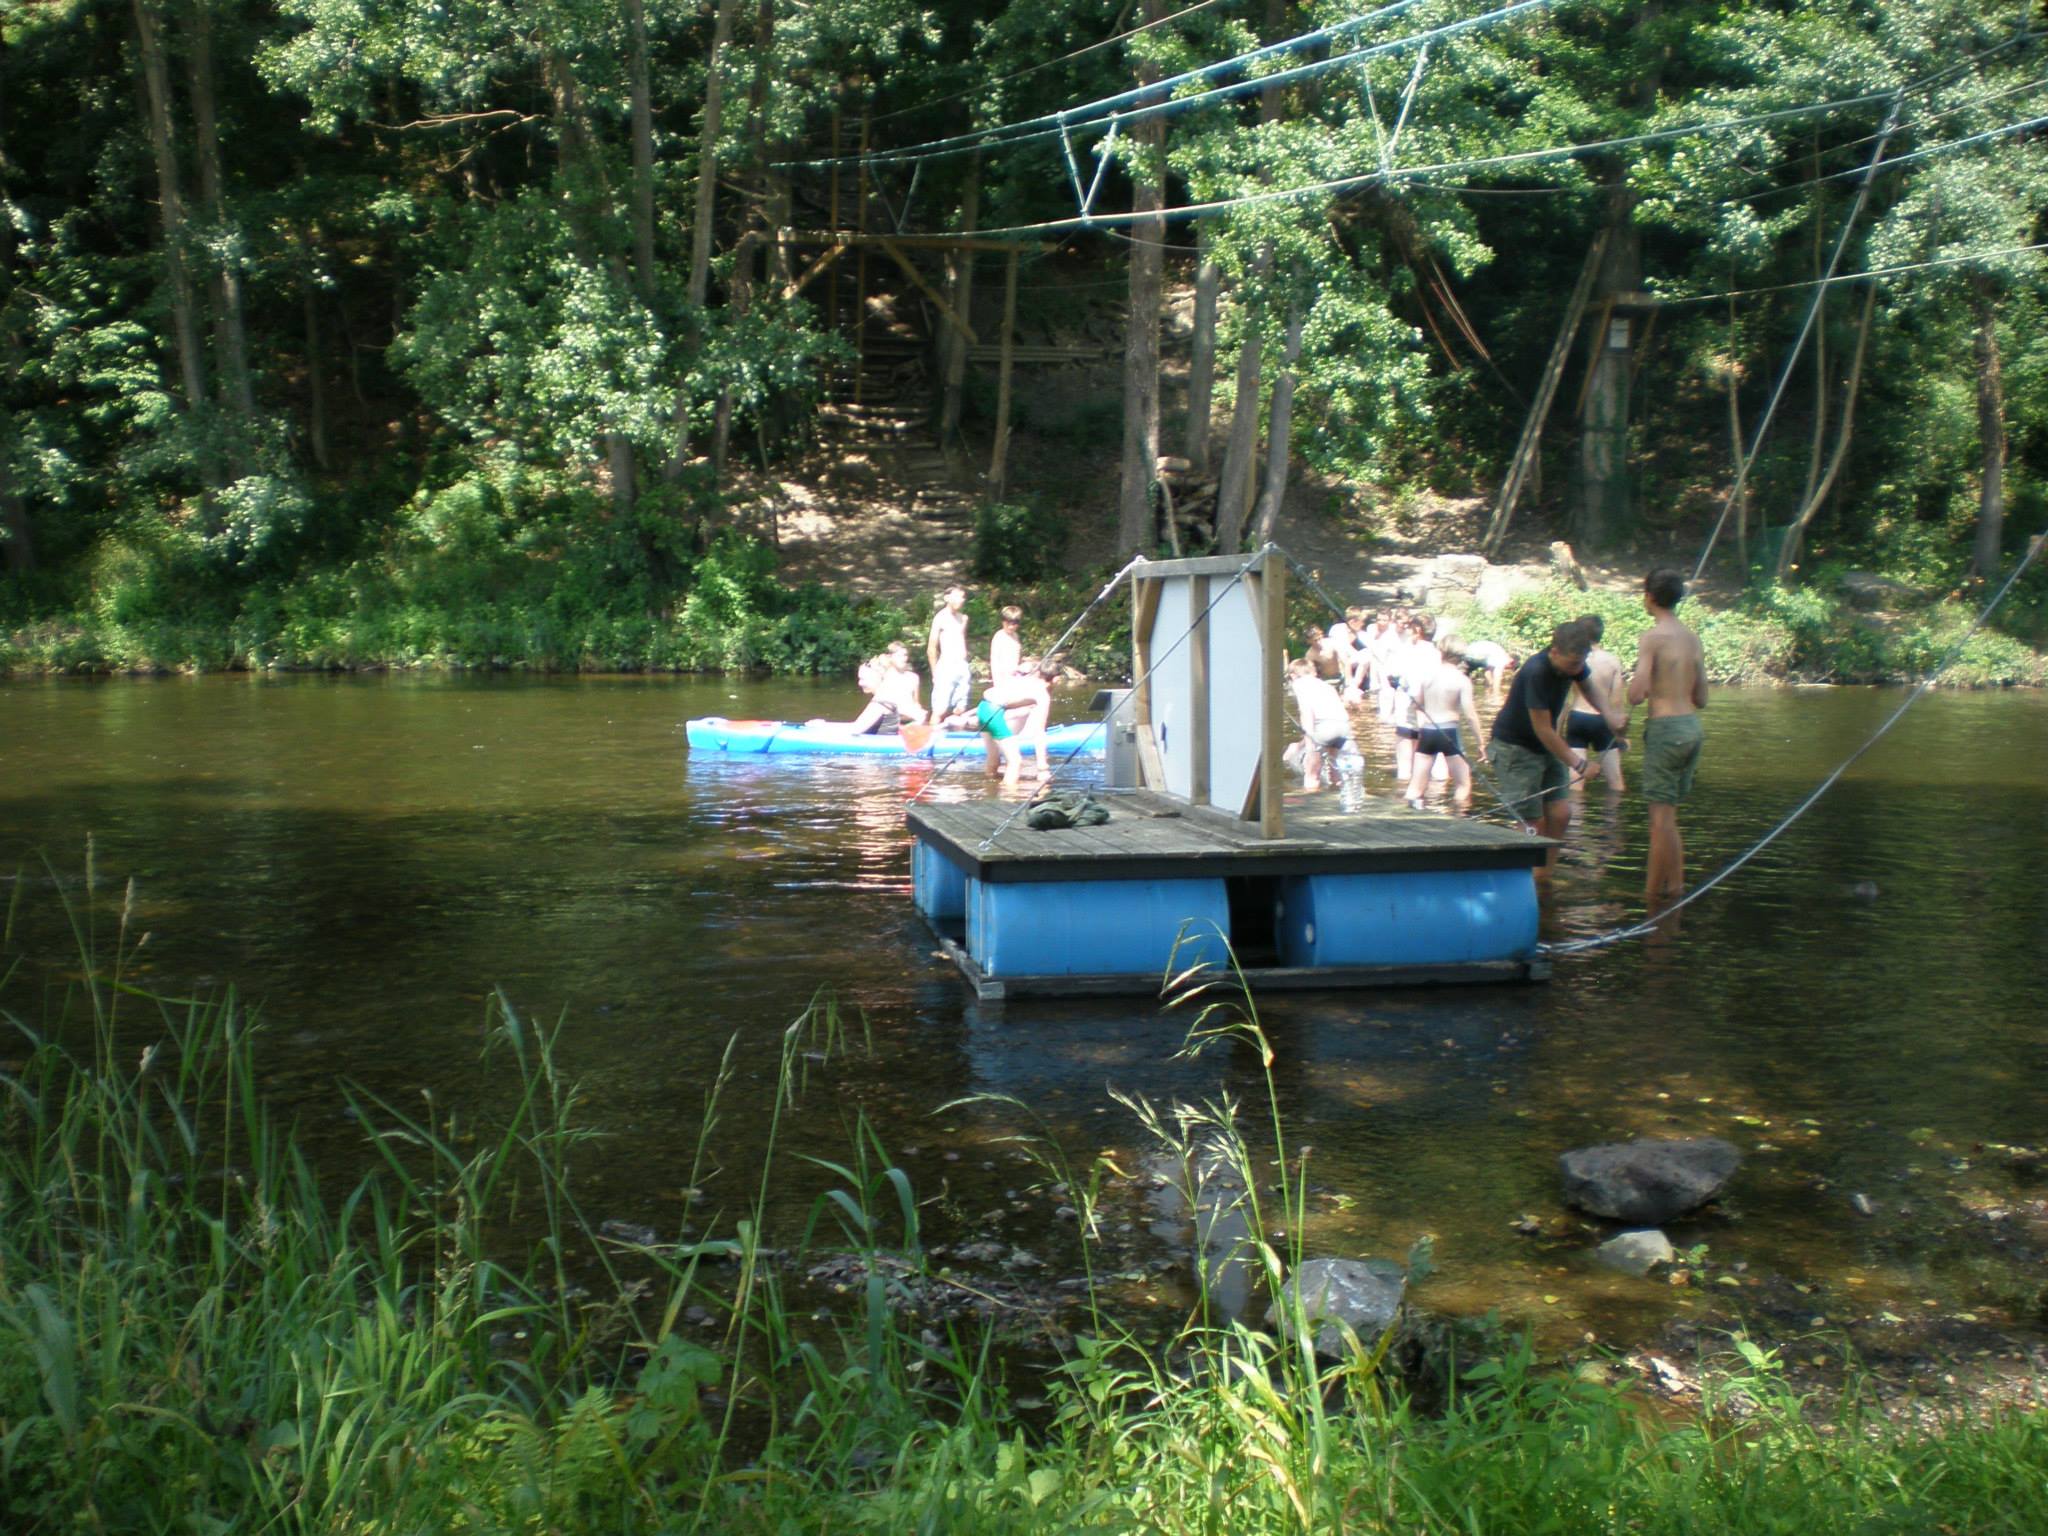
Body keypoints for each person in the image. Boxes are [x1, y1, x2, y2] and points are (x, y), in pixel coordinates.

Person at [1485, 618, 1628, 872]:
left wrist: (1609, 715)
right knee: (1531, 821)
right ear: (1554, 652)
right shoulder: (1536, 671)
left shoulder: (1574, 664)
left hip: (1546, 746)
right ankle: (1523, 877)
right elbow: (1543, 729)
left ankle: (1544, 876)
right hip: (1515, 748)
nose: (1577, 669)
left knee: (1561, 813)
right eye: (1573, 663)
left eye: (1580, 663)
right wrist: (1579, 763)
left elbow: (1589, 688)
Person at [1628, 568, 1707, 904]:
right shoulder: (1693, 638)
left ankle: (1650, 900)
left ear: (1649, 596)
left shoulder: (1652, 638)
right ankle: (1674, 890)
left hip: (1666, 730)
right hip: (1692, 729)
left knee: (1658, 824)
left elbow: (1636, 693)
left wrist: (1633, 686)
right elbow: (1702, 697)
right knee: (1670, 818)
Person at [1404, 638, 1487, 811]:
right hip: (1449, 732)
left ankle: (1404, 816)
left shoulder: (1427, 676)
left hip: (1428, 731)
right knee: (1463, 785)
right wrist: (1481, 743)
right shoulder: (1461, 680)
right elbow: (1470, 715)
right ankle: (1458, 820)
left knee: (1415, 787)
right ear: (1460, 657)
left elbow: (1415, 704)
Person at [1565, 615, 1628, 792]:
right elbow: (1616, 701)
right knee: (1616, 783)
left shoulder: (1574, 659)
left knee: (1574, 781)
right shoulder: (1612, 661)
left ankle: (1575, 819)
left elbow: (1566, 699)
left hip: (1577, 717)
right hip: (1603, 722)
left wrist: (1558, 727)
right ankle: (1613, 819)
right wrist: (1621, 735)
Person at [978, 657, 1056, 788]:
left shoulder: (1026, 681)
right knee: (1015, 761)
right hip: (994, 711)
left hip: (983, 707)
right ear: (1055, 679)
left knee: (993, 759)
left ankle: (989, 790)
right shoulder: (1042, 694)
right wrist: (1042, 768)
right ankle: (1008, 798)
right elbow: (1039, 733)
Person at [829, 643, 928, 735]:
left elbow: (854, 731)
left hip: (899, 723)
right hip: (894, 724)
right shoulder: (887, 685)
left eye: (862, 679)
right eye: (899, 655)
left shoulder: (880, 703)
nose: (859, 683)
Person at [1286, 658, 1353, 791]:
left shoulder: (1299, 684)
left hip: (1324, 728)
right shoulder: (1327, 686)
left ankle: (1309, 804)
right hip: (1343, 727)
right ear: (1314, 672)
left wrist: (1310, 747)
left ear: (1293, 675)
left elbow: (1307, 713)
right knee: (1335, 775)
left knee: (1312, 776)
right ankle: (1337, 798)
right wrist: (1299, 746)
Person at [927, 585, 972, 727]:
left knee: (960, 708)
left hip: (962, 666)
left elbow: (962, 641)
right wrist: (935, 673)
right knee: (939, 708)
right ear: (947, 598)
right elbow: (931, 647)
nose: (962, 599)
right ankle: (930, 736)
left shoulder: (963, 618)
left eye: (963, 596)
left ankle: (953, 737)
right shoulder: (940, 618)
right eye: (958, 596)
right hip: (946, 665)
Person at [990, 604, 1024, 684]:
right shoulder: (999, 637)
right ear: (1003, 622)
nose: (1011, 627)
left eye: (1014, 624)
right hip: (1002, 678)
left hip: (1014, 677)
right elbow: (994, 660)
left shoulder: (1016, 636)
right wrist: (997, 681)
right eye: (1008, 623)